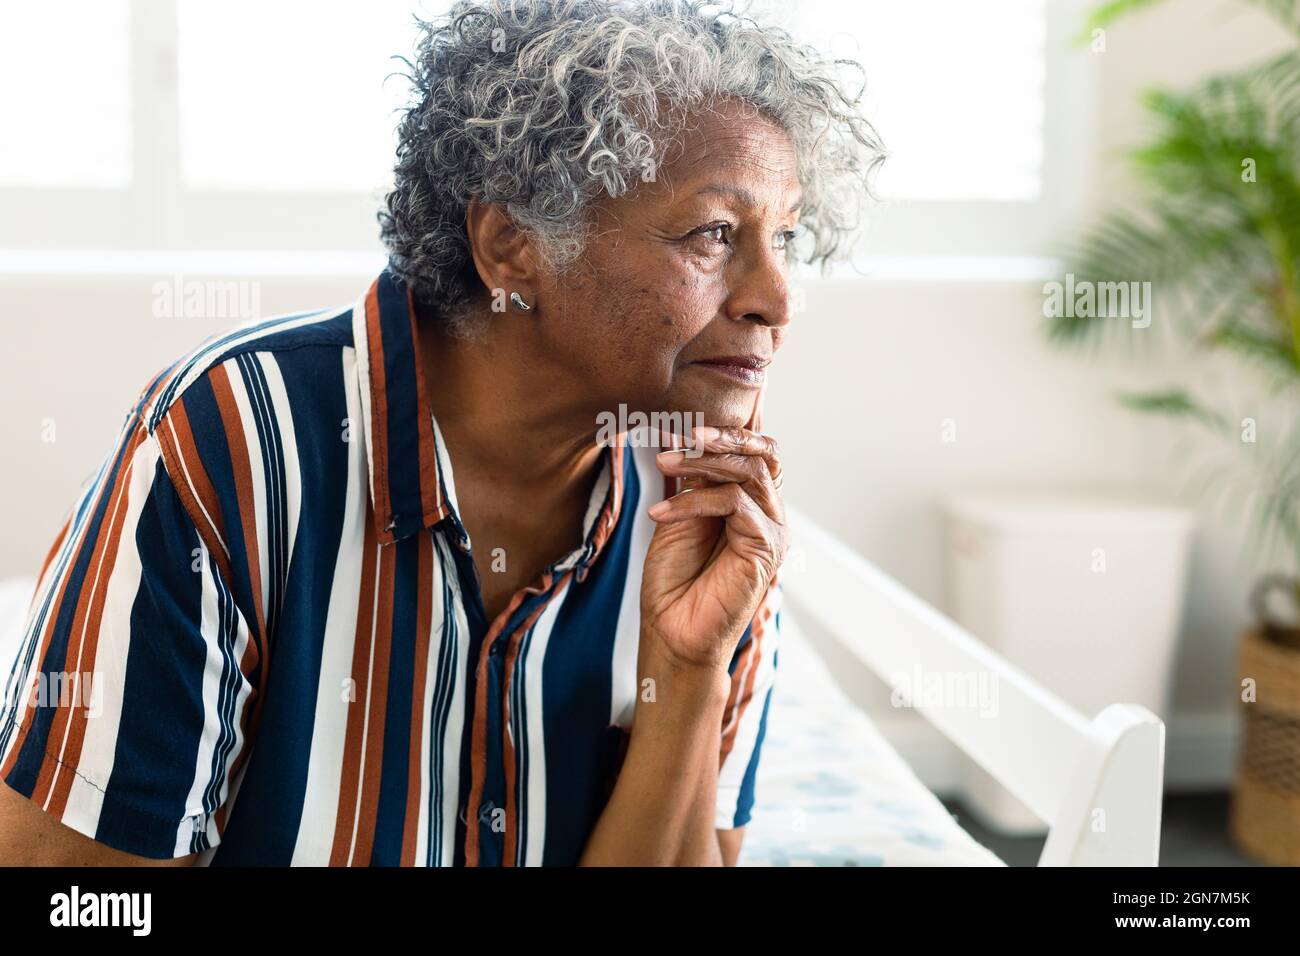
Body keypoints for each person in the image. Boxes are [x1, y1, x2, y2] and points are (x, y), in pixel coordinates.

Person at [0, 0, 881, 866]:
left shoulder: (709, 492)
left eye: (787, 239)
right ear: (512, 245)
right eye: (714, 234)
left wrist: (689, 673)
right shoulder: (229, 441)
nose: (777, 298)